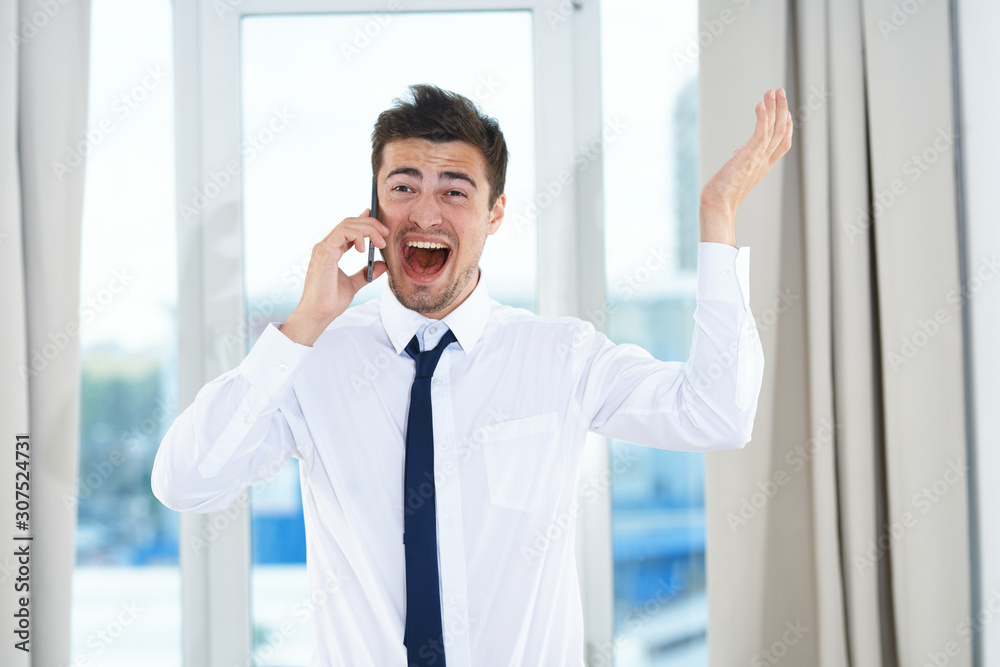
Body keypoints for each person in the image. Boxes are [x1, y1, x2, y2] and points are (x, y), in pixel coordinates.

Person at [151, 83, 793, 666]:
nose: (426, 215)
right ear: (373, 209)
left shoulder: (561, 356)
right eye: (403, 188)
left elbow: (717, 413)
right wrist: (300, 328)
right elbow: (185, 481)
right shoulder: (313, 361)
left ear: (495, 213)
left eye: (455, 191)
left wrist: (718, 213)